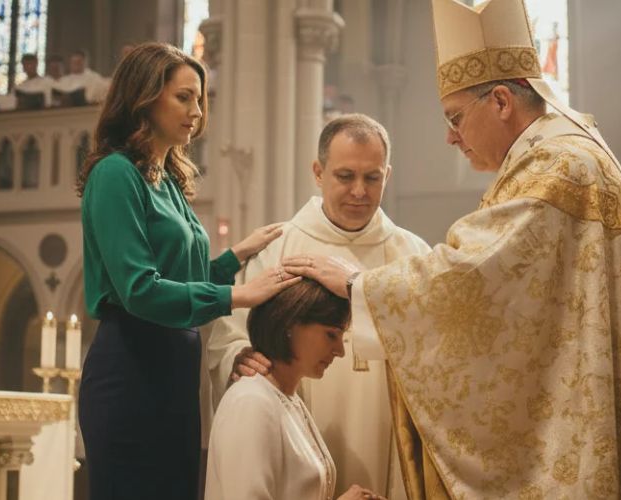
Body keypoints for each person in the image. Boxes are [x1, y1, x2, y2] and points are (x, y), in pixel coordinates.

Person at [282, 0, 621, 497]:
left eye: (456, 117)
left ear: (502, 101)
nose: (450, 137)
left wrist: (359, 286)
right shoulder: (565, 152)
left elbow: (474, 278)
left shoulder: (554, 168)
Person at [75, 42, 298, 500]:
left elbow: (187, 278)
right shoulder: (116, 175)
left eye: (200, 99)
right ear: (144, 97)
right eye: (183, 97)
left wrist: (237, 255)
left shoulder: (169, 180)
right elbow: (140, 290)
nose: (197, 111)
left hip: (175, 371)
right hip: (130, 367)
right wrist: (239, 295)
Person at [205, 113, 429, 498]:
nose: (359, 190)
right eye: (345, 176)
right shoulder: (277, 247)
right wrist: (237, 357)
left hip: (389, 434)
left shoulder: (413, 255)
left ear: (386, 176)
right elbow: (232, 335)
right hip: (294, 438)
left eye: (372, 178)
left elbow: (436, 348)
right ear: (318, 172)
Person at [205, 279, 385, 500]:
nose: (340, 351)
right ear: (290, 324)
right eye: (331, 334)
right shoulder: (251, 402)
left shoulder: (288, 399)